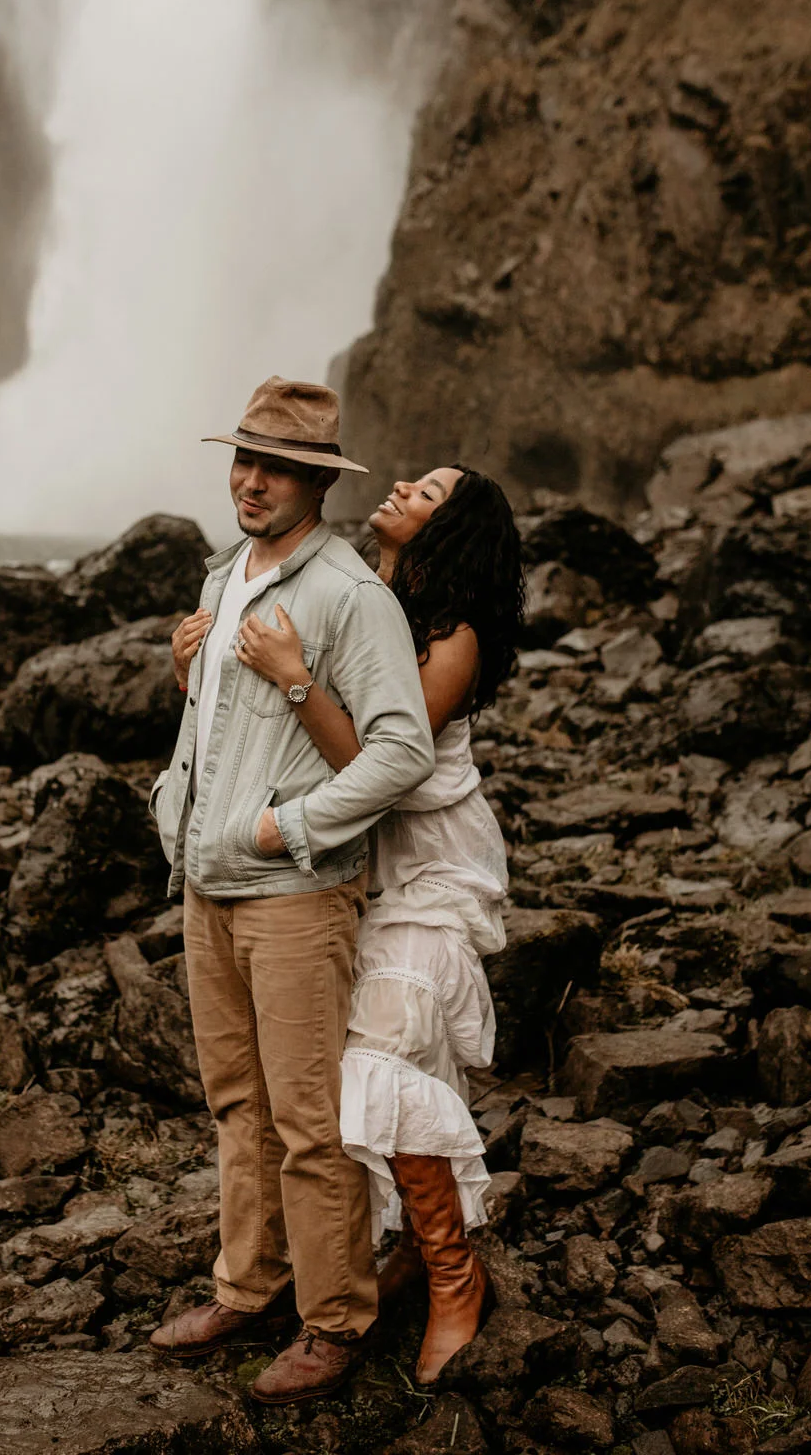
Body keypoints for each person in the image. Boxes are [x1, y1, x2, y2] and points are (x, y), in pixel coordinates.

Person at [147, 376, 435, 1405]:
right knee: (236, 1104)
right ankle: (247, 1283)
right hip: (209, 883)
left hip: (294, 892)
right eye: (242, 458)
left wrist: (294, 825)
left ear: (316, 479)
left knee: (308, 1119)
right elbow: (218, 721)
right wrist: (169, 802)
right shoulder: (229, 575)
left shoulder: (349, 595)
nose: (250, 478)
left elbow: (400, 750)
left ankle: (335, 1320)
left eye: (273, 465)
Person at [235, 463, 525, 1385]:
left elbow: (380, 765)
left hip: (432, 870)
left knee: (375, 1062)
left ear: (454, 529)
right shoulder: (372, 600)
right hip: (360, 871)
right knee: (401, 1063)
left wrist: (290, 680)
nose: (401, 485)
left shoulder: (454, 636)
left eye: (430, 491)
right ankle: (405, 1252)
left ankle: (453, 1277)